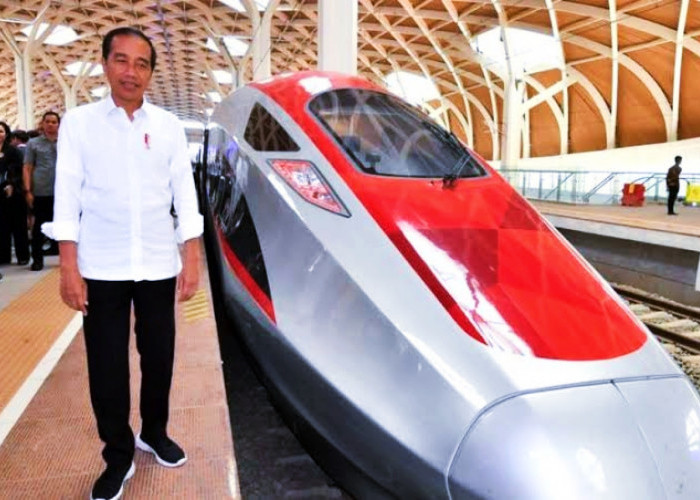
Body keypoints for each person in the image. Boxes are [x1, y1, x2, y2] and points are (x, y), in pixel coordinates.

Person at [49, 26, 202, 500]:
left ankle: (153, 432)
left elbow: (184, 192)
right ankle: (118, 455)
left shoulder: (169, 127)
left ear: (151, 72)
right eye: (121, 60)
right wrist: (68, 265)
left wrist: (191, 254)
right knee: (107, 366)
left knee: (159, 357)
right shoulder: (79, 124)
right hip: (101, 265)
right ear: (105, 65)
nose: (131, 72)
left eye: (141, 63)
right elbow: (67, 193)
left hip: (157, 262)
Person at [23, 111, 60, 270]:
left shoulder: (66, 141)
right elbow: (27, 167)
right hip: (41, 191)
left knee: (65, 225)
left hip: (62, 191)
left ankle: (69, 259)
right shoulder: (33, 143)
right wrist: (28, 190)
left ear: (59, 124)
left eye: (54, 122)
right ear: (43, 124)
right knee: (39, 226)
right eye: (48, 122)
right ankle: (37, 260)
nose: (50, 125)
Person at [0, 121, 30, 265]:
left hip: (14, 192)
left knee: (18, 225)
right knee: (2, 225)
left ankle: (23, 256)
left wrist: (11, 183)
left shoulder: (13, 151)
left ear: (6, 134)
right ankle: (3, 256)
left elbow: (19, 170)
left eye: (1, 131)